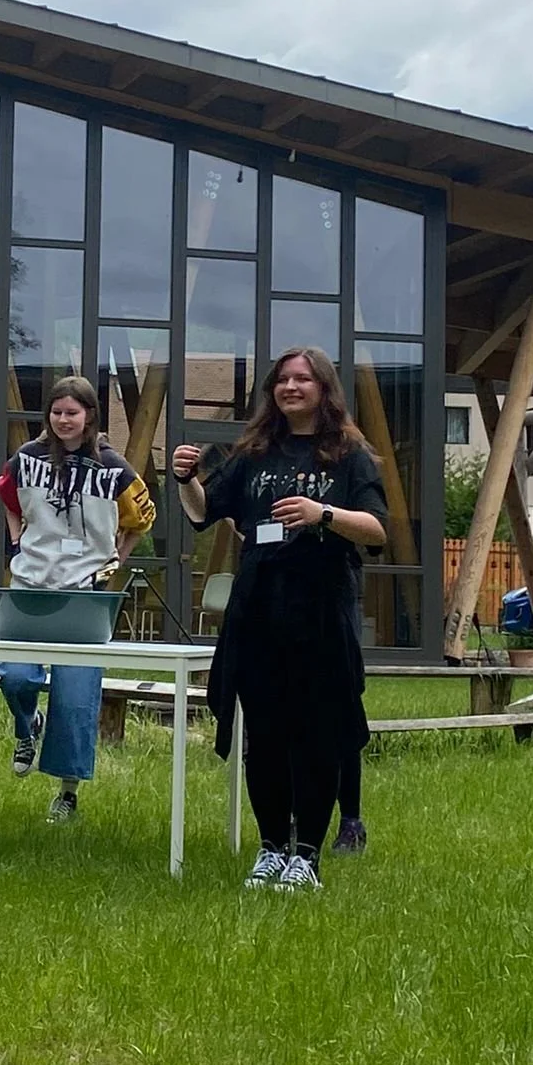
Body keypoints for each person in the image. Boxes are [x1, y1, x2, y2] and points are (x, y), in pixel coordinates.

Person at [172, 347, 387, 890]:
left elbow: (377, 530)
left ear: (324, 388)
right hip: (258, 609)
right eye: (283, 380)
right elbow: (204, 512)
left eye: (303, 379)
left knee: (315, 734)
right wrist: (185, 479)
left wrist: (323, 513)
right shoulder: (254, 452)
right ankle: (271, 848)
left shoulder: (350, 454)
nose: (291, 387)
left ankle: (307, 856)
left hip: (321, 610)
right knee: (264, 736)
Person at [0, 375, 156, 823]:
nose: (64, 420)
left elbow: (142, 518)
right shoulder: (27, 458)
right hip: (30, 586)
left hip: (85, 593)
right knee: (15, 675)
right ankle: (28, 725)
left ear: (89, 416)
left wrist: (116, 559)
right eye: (57, 412)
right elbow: (6, 493)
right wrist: (16, 542)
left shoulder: (114, 468)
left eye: (72, 413)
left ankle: (67, 793)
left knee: (75, 696)